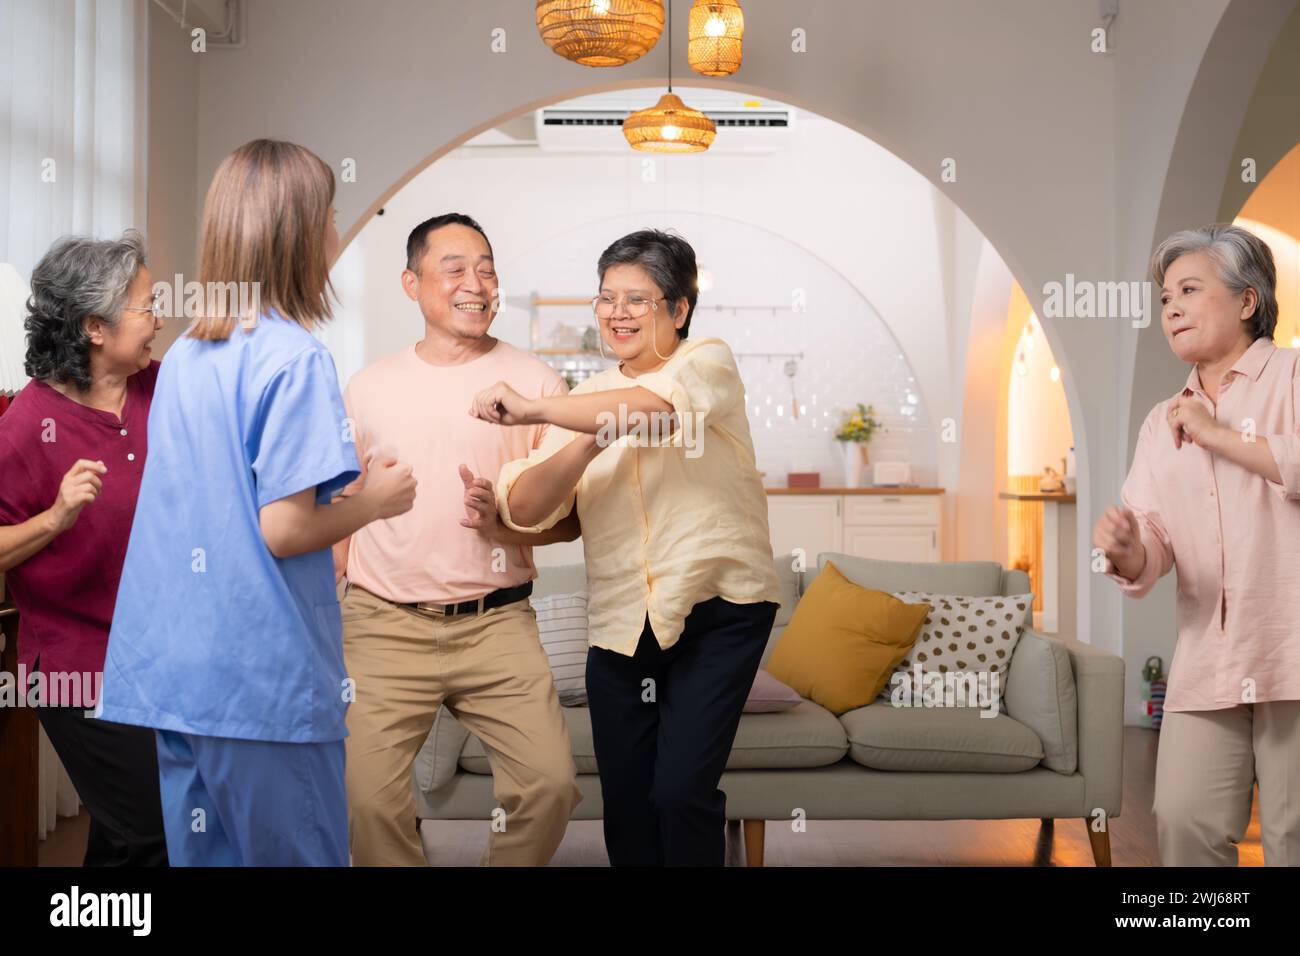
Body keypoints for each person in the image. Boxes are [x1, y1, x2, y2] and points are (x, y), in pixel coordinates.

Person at [98, 139, 416, 866]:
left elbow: (216, 502)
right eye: (330, 215)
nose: (336, 230)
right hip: (261, 683)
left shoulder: (185, 355)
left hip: (179, 676)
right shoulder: (295, 357)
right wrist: (376, 502)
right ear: (301, 233)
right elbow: (283, 527)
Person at [469, 228, 781, 866]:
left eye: (637, 300)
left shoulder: (708, 361)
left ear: (679, 310)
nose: (617, 313)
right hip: (619, 624)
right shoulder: (581, 403)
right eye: (606, 298)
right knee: (629, 805)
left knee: (679, 793)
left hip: (718, 613)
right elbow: (527, 507)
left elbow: (651, 408)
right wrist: (581, 440)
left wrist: (532, 411)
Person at [335, 212, 582, 866]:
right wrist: (334, 599)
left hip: (496, 624)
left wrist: (506, 522)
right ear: (412, 284)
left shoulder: (537, 385)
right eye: (455, 268)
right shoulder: (367, 387)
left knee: (551, 784)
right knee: (364, 800)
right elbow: (339, 506)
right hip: (383, 622)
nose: (477, 283)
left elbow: (573, 518)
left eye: (487, 269)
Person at [1093, 223, 1300, 866]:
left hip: (1292, 650)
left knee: (1293, 835)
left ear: (1247, 301)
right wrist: (1128, 547)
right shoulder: (1162, 421)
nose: (1172, 307)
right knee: (1182, 819)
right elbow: (1155, 541)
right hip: (1208, 658)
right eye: (1164, 298)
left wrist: (1216, 435)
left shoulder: (1293, 375)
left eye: (1189, 289)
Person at [0, 230, 167, 865]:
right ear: (95, 326)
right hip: (78, 668)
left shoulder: (156, 386)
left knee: (129, 829)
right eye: (147, 305)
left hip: (158, 656)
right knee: (149, 830)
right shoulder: (25, 425)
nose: (159, 319)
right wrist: (55, 518)